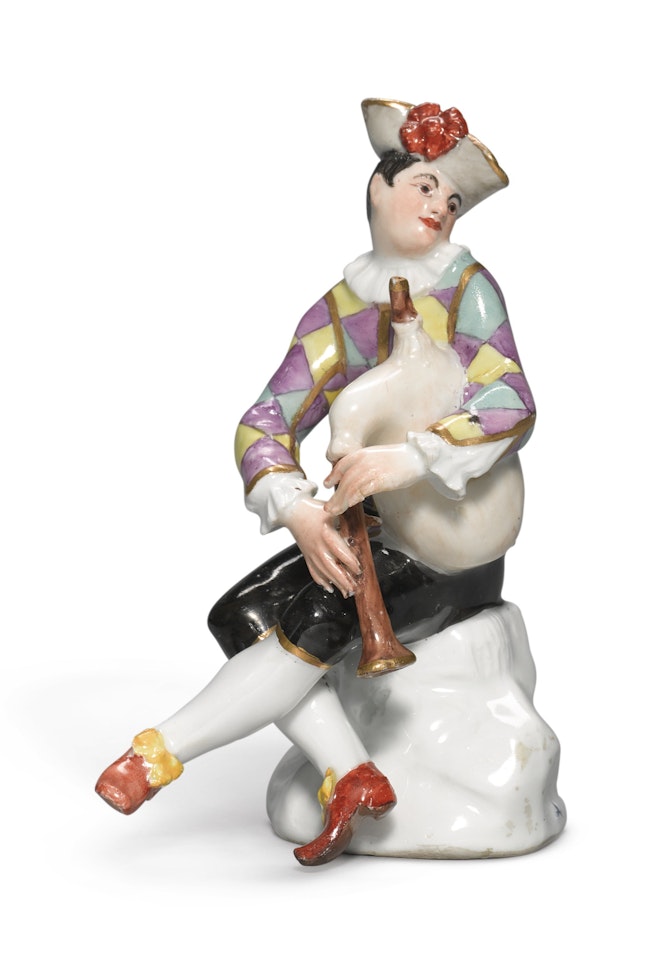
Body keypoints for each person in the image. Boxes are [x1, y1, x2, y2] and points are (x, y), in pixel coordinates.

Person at [96, 99, 535, 866]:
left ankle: (159, 753)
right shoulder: (337, 312)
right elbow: (265, 419)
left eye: (453, 199)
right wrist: (297, 510)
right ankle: (352, 775)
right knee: (239, 614)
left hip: (451, 545)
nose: (440, 207)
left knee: (314, 617)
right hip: (380, 531)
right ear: (378, 188)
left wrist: (412, 458)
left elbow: (508, 398)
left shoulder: (466, 289)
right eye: (425, 186)